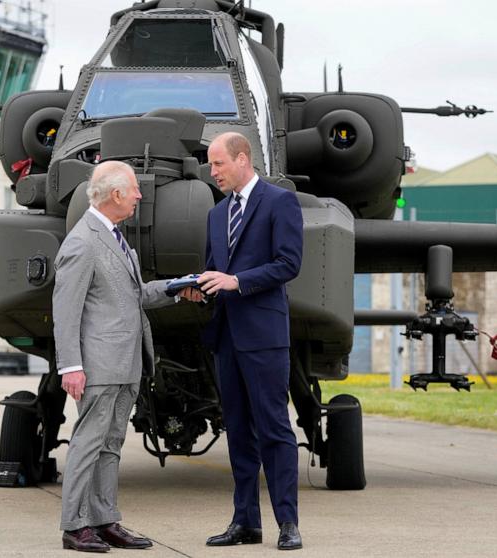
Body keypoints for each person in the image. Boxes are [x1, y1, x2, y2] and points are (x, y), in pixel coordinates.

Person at [53, 160, 191, 552]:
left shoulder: (114, 238)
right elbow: (66, 311)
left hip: (126, 364)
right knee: (88, 443)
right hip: (98, 365)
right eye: (134, 190)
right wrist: (71, 366)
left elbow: (136, 296)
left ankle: (104, 519)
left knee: (110, 444)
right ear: (116, 195)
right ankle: (74, 526)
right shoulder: (82, 242)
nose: (139, 196)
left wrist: (179, 287)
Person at [195, 132, 304, 550]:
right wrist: (199, 285)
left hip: (264, 336)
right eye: (210, 164)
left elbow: (288, 263)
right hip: (227, 337)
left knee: (274, 429)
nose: (213, 171)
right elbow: (213, 269)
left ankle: (288, 523)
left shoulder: (280, 202)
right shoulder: (216, 214)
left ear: (243, 159)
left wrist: (237, 281)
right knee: (238, 432)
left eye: (218, 163)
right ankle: (245, 522)